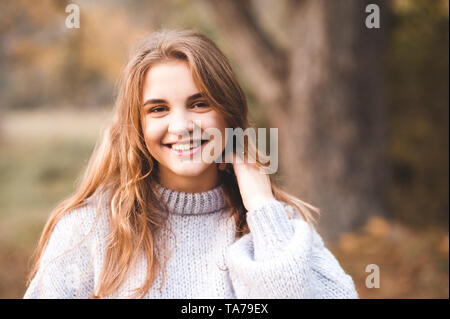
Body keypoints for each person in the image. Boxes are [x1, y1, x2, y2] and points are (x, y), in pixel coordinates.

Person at [24, 29, 358, 299]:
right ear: (136, 126)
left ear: (228, 114)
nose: (181, 125)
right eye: (158, 109)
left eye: (199, 104)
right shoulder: (89, 228)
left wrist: (260, 203)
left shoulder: (279, 223)